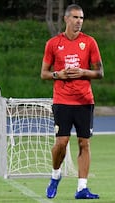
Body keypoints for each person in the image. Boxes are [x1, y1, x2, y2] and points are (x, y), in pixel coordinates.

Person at [40, 4, 103, 200]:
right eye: (75, 17)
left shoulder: (90, 42)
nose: (79, 22)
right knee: (61, 143)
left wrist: (84, 72)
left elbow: (100, 72)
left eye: (81, 18)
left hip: (84, 101)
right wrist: (59, 74)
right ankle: (55, 175)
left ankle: (82, 188)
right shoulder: (53, 43)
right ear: (66, 19)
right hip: (62, 101)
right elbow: (44, 74)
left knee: (84, 143)